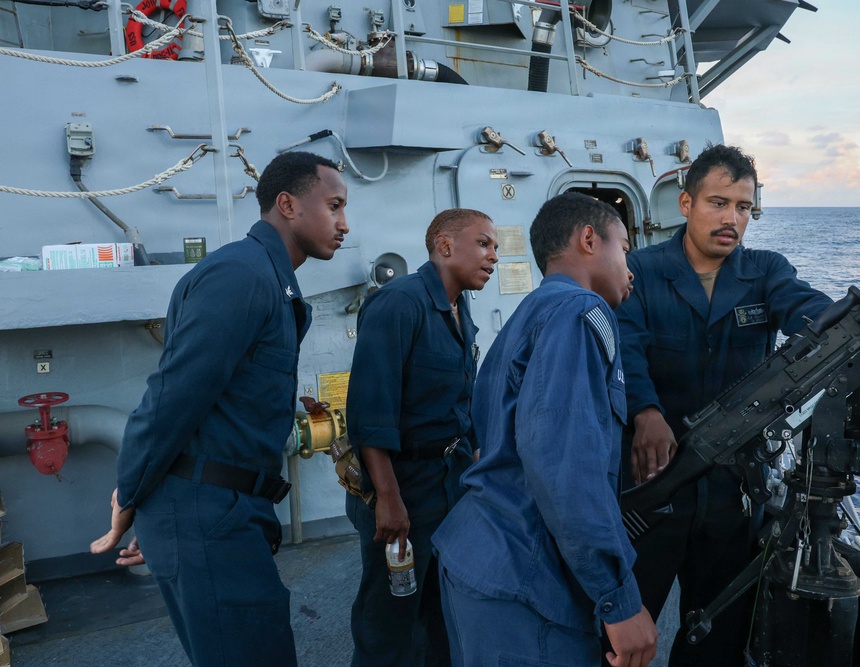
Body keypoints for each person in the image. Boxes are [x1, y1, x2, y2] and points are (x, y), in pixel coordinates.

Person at [89, 151, 349, 666]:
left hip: (219, 513)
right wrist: (135, 501)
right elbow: (171, 399)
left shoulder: (271, 279)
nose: (344, 224)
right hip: (208, 518)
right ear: (287, 204)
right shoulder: (242, 275)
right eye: (335, 205)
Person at [615, 144, 832, 665]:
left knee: (716, 638)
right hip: (653, 479)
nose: (731, 219)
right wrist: (645, 412)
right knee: (625, 628)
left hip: (733, 490)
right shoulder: (639, 271)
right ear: (686, 203)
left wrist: (843, 323)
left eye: (743, 207)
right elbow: (624, 348)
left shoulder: (765, 271)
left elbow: (807, 309)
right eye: (718, 203)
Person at [432, 192, 659, 667]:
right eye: (624, 249)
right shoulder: (580, 313)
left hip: (482, 557)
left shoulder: (531, 311)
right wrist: (618, 599)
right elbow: (564, 465)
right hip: (525, 578)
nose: (631, 269)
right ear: (589, 239)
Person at [345, 208, 499, 666]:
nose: (494, 256)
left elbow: (459, 394)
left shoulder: (458, 303)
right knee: (389, 622)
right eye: (484, 243)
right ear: (445, 246)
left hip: (446, 481)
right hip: (401, 485)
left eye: (495, 246)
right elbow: (370, 409)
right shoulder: (399, 303)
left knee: (440, 617)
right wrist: (389, 499)